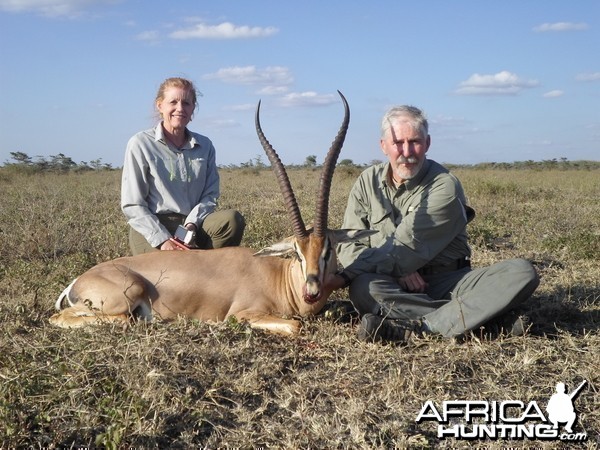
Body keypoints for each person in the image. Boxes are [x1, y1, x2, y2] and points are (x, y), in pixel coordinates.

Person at [328, 105, 539, 343]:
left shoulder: (444, 185)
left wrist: (343, 278)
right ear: (383, 146)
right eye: (398, 143)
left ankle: (422, 327)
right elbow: (348, 248)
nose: (407, 152)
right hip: (392, 283)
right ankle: (484, 321)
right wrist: (399, 272)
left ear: (427, 144)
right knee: (365, 287)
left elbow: (407, 247)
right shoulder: (367, 181)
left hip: (449, 281)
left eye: (415, 142)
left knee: (521, 272)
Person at [121, 77, 245, 255]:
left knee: (232, 220)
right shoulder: (140, 143)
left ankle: (207, 268)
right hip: (153, 225)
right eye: (173, 102)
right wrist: (163, 240)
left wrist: (191, 224)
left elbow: (210, 195)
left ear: (193, 108)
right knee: (170, 268)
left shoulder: (205, 145)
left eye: (186, 103)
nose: (180, 109)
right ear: (160, 106)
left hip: (192, 224)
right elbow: (133, 204)